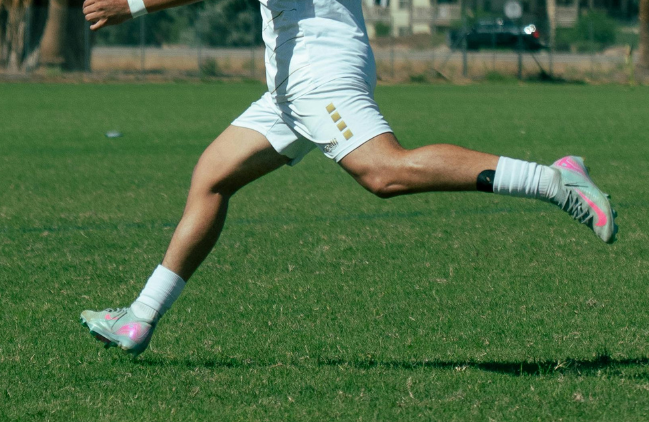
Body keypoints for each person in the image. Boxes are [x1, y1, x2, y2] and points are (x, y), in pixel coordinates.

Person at [79, 0, 617, 357]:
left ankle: (553, 180)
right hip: (293, 82)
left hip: (320, 75)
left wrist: (133, 4)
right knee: (213, 178)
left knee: (385, 172)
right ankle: (139, 317)